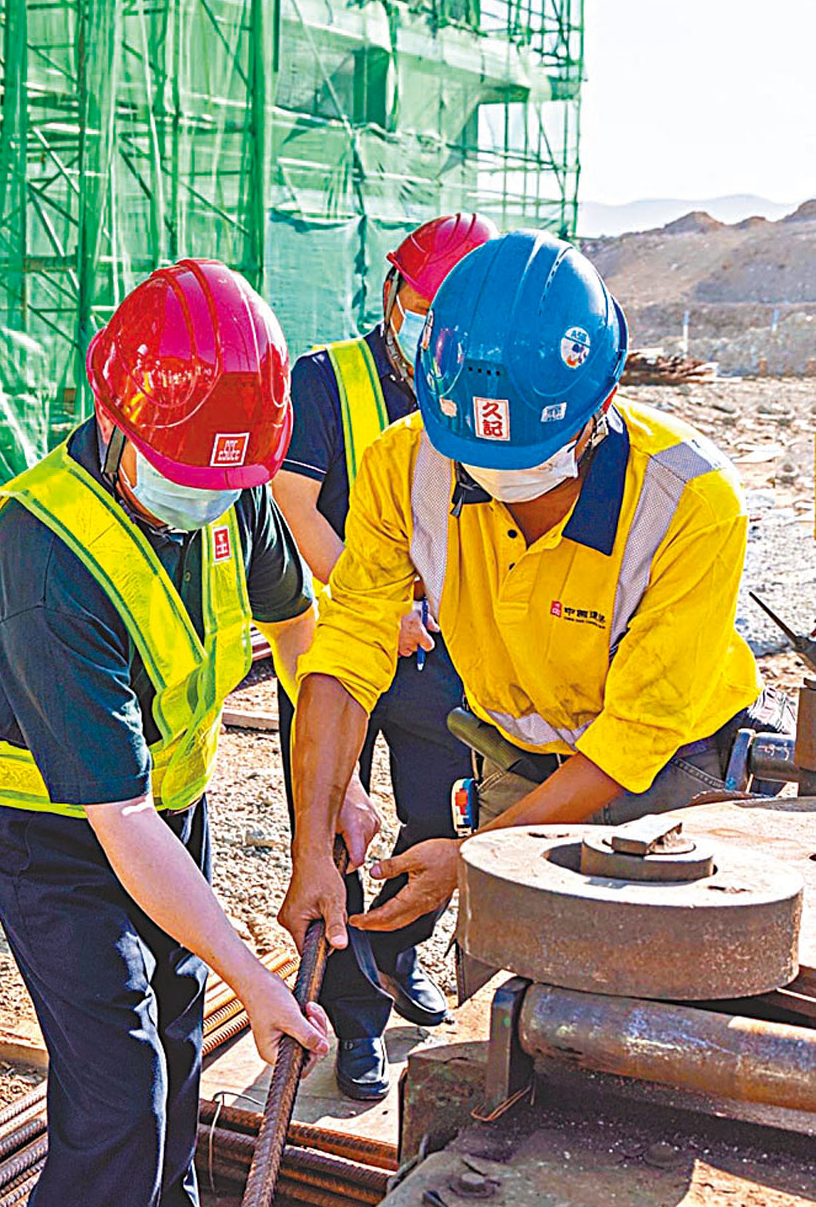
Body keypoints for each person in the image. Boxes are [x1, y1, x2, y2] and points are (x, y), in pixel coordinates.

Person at [0, 260, 377, 1207]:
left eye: (224, 484)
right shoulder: (41, 552)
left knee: (179, 1042)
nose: (203, 502)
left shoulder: (229, 487)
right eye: (184, 476)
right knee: (118, 1088)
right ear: (114, 416)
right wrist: (258, 978)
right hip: (52, 835)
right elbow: (116, 820)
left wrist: (335, 792)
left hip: (166, 812)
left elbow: (300, 633)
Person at [278, 229, 795, 995]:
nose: (494, 475)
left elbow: (633, 737)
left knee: (654, 998)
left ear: (604, 401)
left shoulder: (689, 501)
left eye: (525, 458)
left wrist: (470, 856)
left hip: (667, 776)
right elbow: (347, 650)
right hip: (517, 756)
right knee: (504, 1001)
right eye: (475, 456)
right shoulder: (405, 462)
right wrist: (310, 848)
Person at [272, 213, 497, 1101]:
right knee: (330, 827)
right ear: (391, 294)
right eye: (417, 299)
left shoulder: (484, 388)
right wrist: (377, 602)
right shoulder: (329, 379)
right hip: (339, 640)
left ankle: (399, 956)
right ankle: (356, 1023)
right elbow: (293, 500)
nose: (426, 321)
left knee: (443, 820)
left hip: (440, 660)